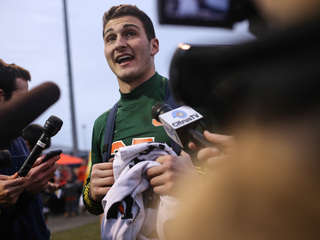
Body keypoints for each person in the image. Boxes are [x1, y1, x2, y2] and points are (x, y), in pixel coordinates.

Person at [82, 4, 219, 236]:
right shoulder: (103, 124)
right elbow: (95, 204)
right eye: (110, 38)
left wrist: (195, 181)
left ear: (153, 45)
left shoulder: (194, 102)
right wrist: (92, 192)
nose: (120, 43)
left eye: (131, 33)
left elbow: (246, 179)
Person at [0, 59, 61, 240]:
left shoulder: (19, 140)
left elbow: (24, 196)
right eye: (23, 99)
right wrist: (26, 190)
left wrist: (40, 184)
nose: (31, 108)